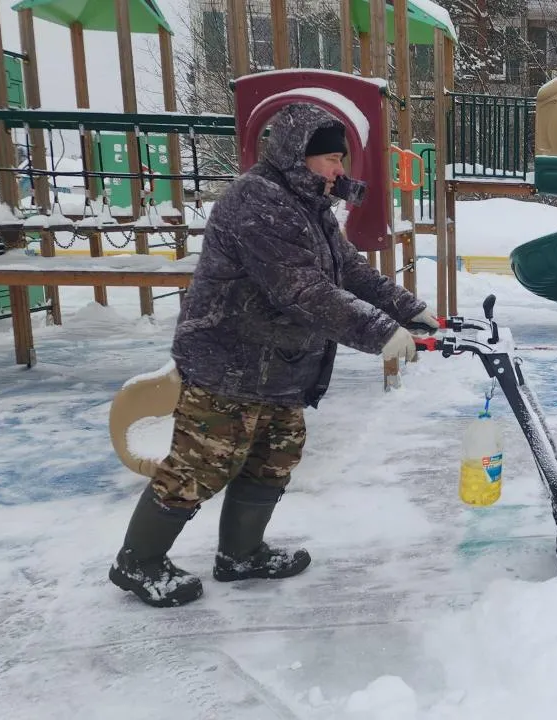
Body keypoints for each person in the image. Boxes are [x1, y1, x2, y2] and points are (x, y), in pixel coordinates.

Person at [108, 103, 436, 608]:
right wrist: (379, 332)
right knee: (202, 465)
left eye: (340, 159)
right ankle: (139, 561)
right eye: (330, 158)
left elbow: (348, 272)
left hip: (279, 360)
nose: (340, 170)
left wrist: (409, 311)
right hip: (229, 359)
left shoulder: (311, 207)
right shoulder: (257, 203)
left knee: (274, 456)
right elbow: (301, 289)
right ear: (295, 155)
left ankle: (241, 555)